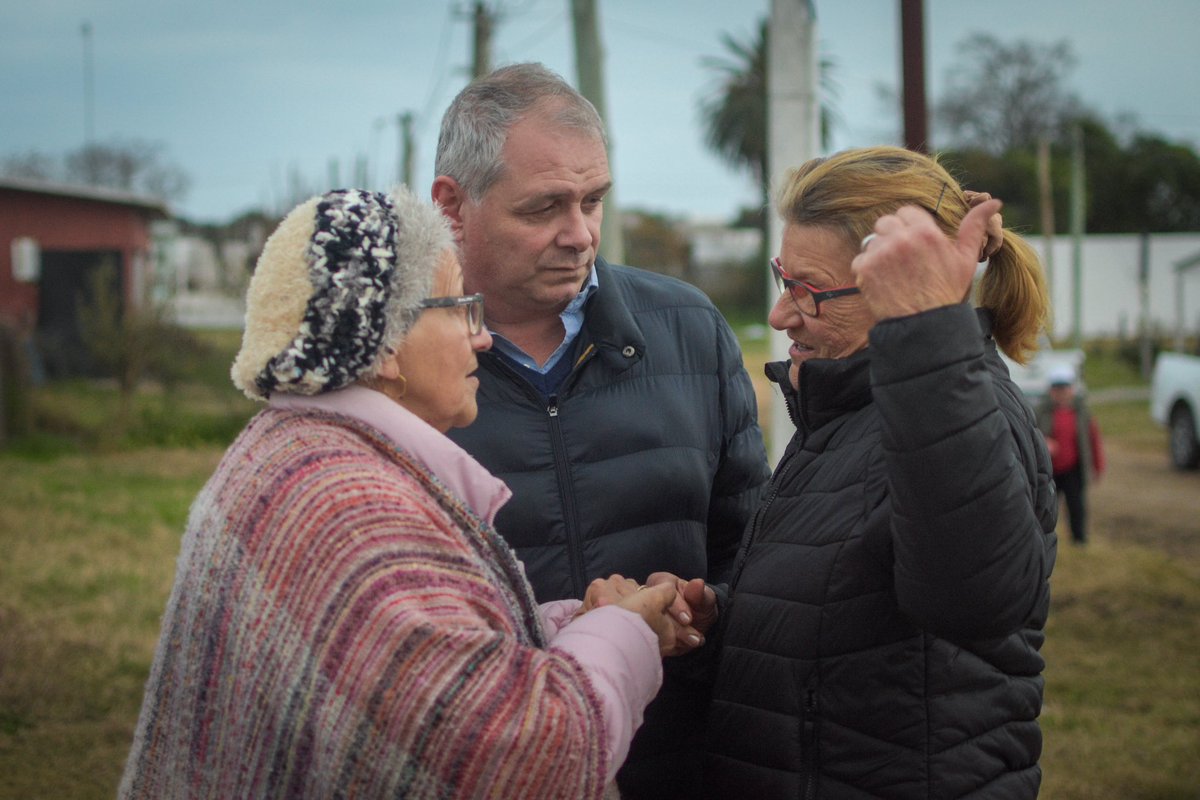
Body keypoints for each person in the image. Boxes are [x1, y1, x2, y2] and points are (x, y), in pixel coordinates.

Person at [119, 186, 706, 800]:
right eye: (460, 309)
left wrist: (572, 626)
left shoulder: (291, 454)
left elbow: (418, 661)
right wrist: (623, 634)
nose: (481, 338)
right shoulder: (359, 513)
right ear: (387, 344)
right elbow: (522, 756)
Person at [431, 63, 771, 796]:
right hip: (487, 771)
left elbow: (753, 548)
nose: (580, 234)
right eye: (545, 207)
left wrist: (708, 609)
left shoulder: (689, 328)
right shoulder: (398, 369)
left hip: (680, 765)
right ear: (453, 205)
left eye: (594, 200)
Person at [702, 147, 1060, 799]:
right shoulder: (843, 413)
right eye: (785, 278)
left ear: (898, 285)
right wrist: (713, 617)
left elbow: (977, 600)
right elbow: (848, 615)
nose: (783, 316)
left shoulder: (966, 413)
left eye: (807, 292)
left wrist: (927, 330)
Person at [1037, 364, 1105, 545]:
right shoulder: (1040, 413)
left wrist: (1097, 467)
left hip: (1074, 469)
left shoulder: (1082, 413)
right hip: (1050, 470)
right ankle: (1042, 539)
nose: (1061, 393)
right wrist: (1043, 441)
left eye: (1064, 388)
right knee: (1046, 507)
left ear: (1072, 389)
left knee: (1076, 506)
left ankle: (1079, 539)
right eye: (1056, 388)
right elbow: (1031, 435)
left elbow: (1093, 441)